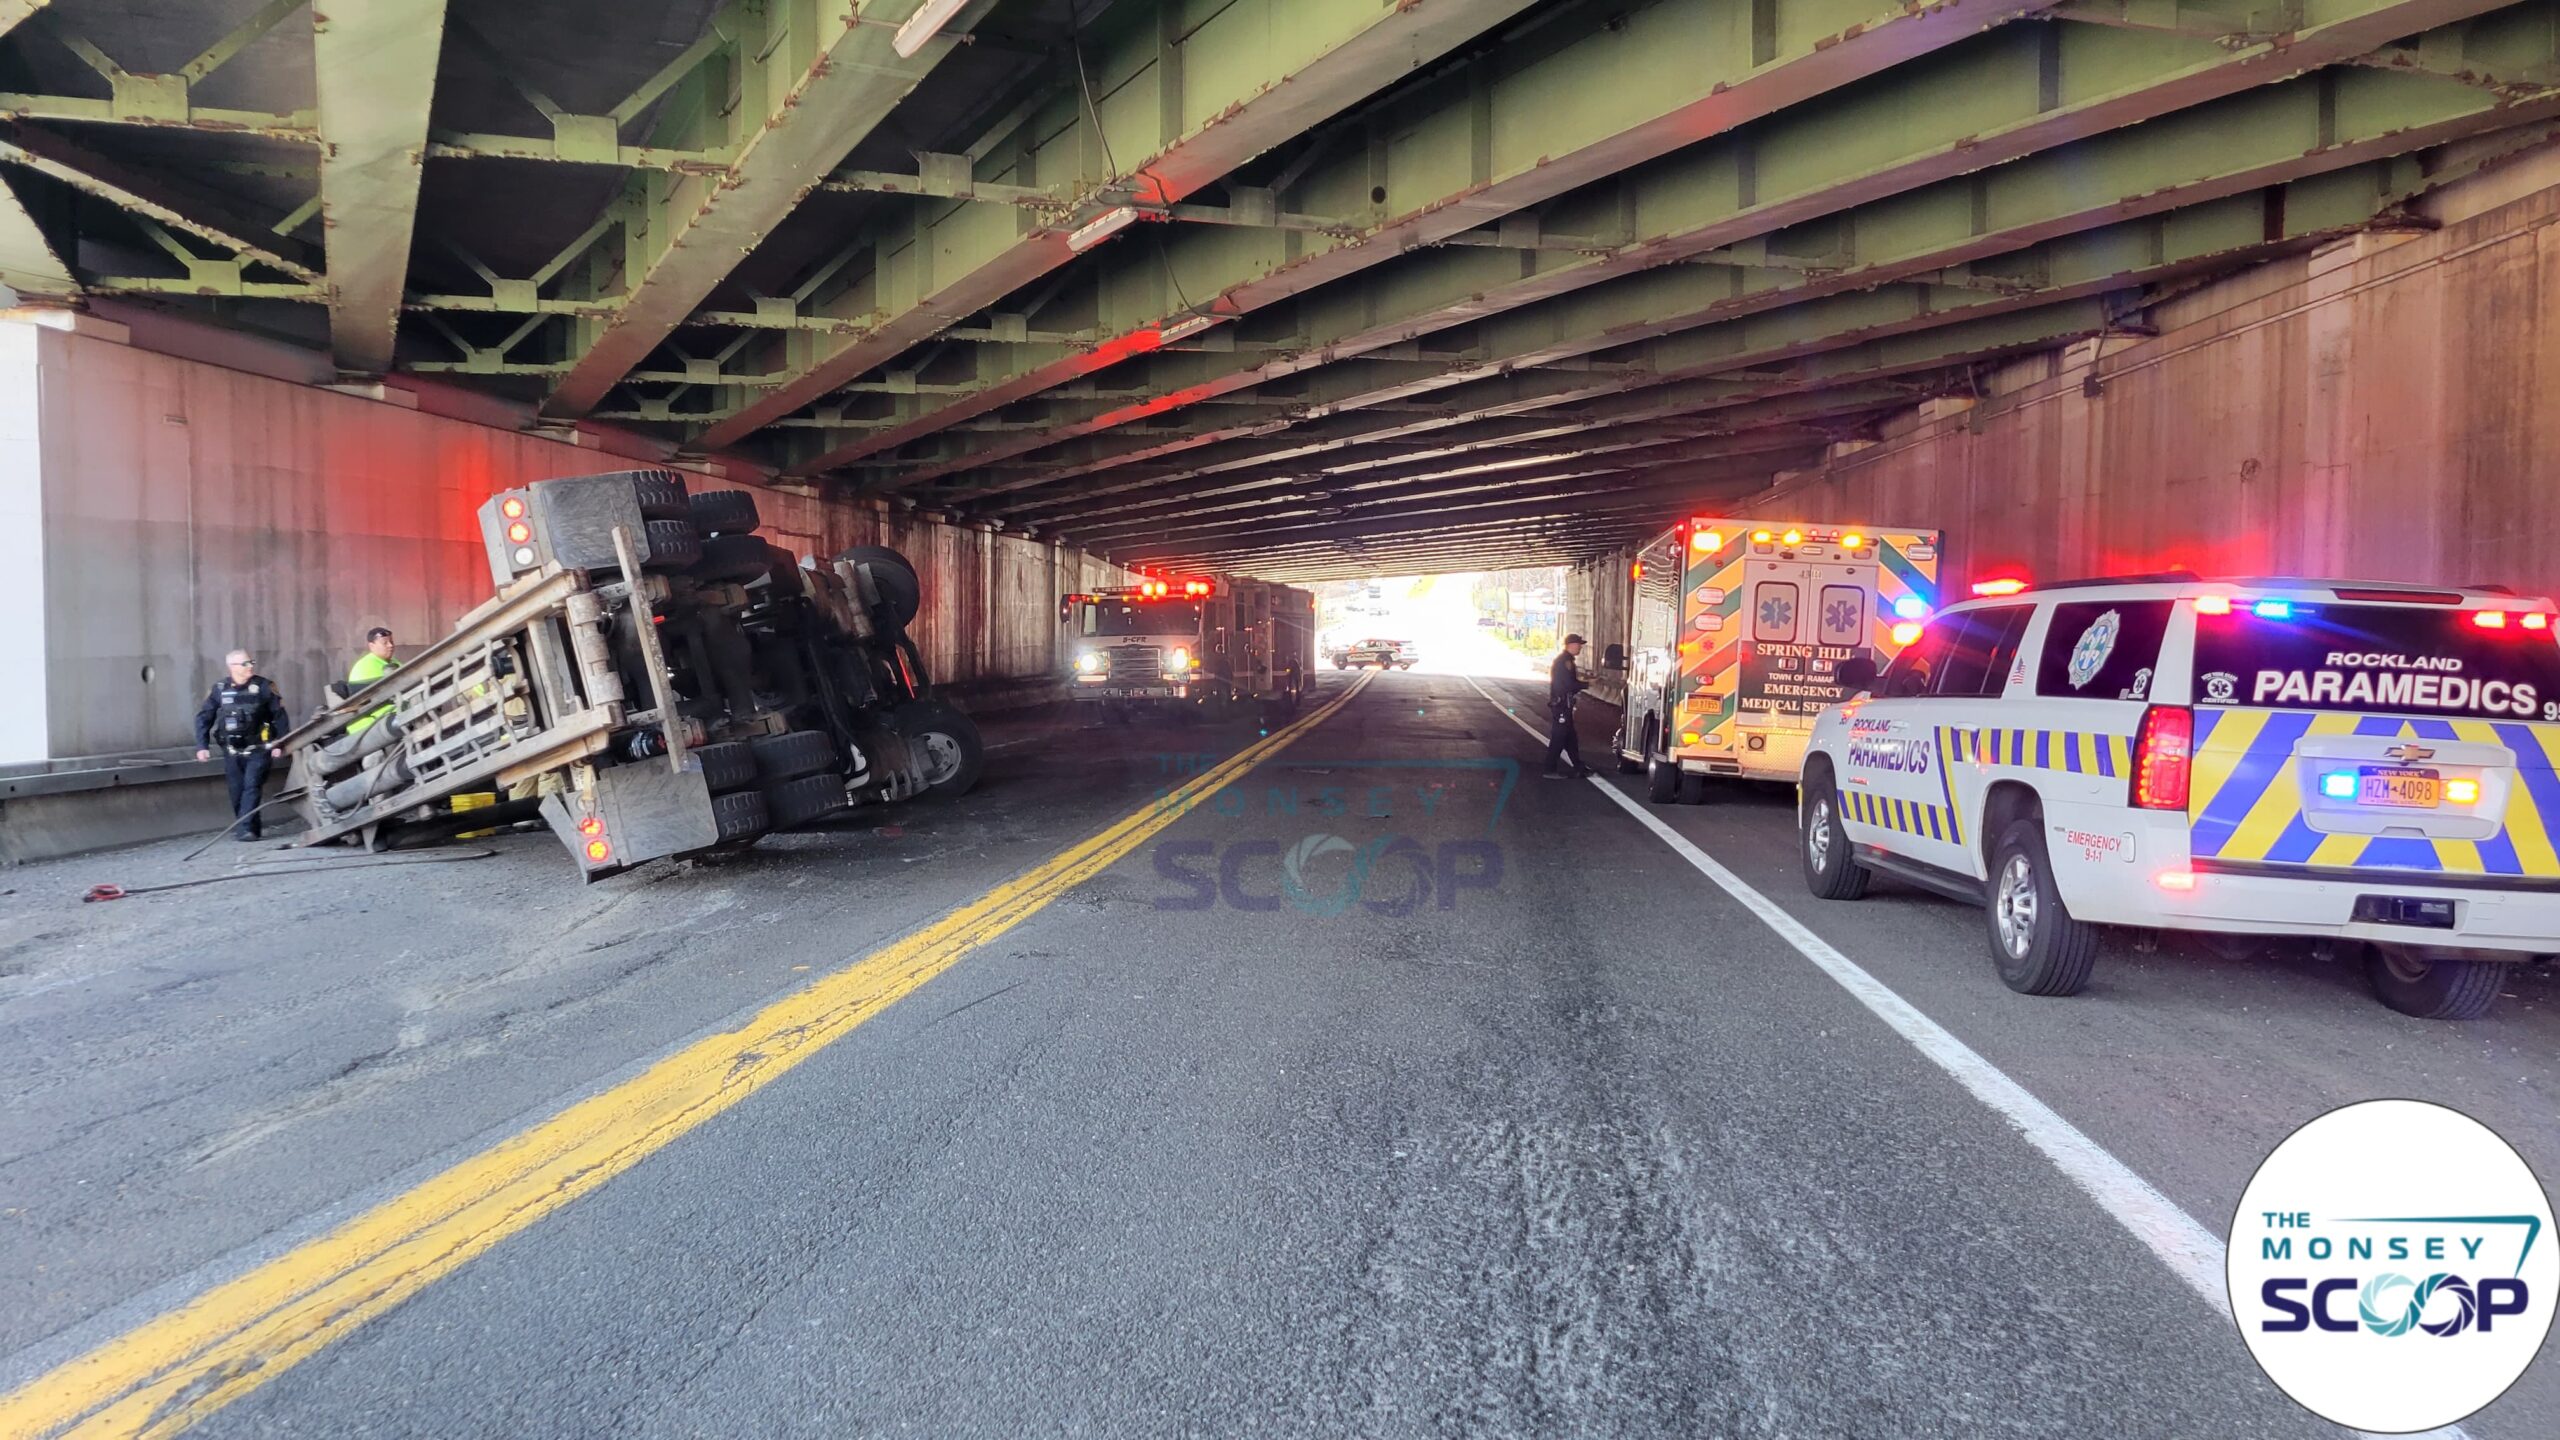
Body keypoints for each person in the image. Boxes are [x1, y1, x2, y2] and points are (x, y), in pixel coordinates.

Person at [193, 649, 289, 840]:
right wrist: (202, 746)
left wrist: (280, 742)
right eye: (244, 664)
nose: (250, 666)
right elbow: (204, 717)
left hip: (259, 748)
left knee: (251, 786)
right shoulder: (219, 688)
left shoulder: (264, 687)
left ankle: (245, 829)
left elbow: (279, 717)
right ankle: (250, 828)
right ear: (232, 667)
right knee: (236, 790)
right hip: (232, 750)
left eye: (251, 662)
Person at [1543, 633, 1593, 779]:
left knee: (1570, 738)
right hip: (1562, 706)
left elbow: (1569, 683)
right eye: (1579, 644)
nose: (1580, 647)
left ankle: (1579, 767)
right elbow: (1567, 685)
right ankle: (1549, 769)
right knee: (1558, 738)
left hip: (1565, 705)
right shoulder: (1564, 662)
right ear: (1571, 645)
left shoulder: (1566, 660)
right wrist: (1587, 684)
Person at [345, 626, 399, 733]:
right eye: (385, 643)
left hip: (389, 716)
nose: (391, 645)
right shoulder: (365, 666)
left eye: (391, 641)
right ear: (371, 646)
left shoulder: (394, 662)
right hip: (370, 724)